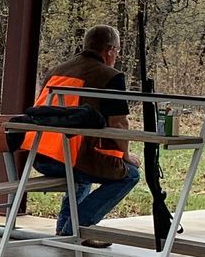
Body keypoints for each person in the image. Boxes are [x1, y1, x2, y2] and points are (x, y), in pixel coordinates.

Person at [22, 24, 139, 240]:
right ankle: (76, 228)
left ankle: (64, 229)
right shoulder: (110, 77)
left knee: (82, 169)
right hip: (70, 159)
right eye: (118, 51)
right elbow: (119, 124)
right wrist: (125, 156)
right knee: (129, 175)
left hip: (39, 156)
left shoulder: (55, 72)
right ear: (110, 50)